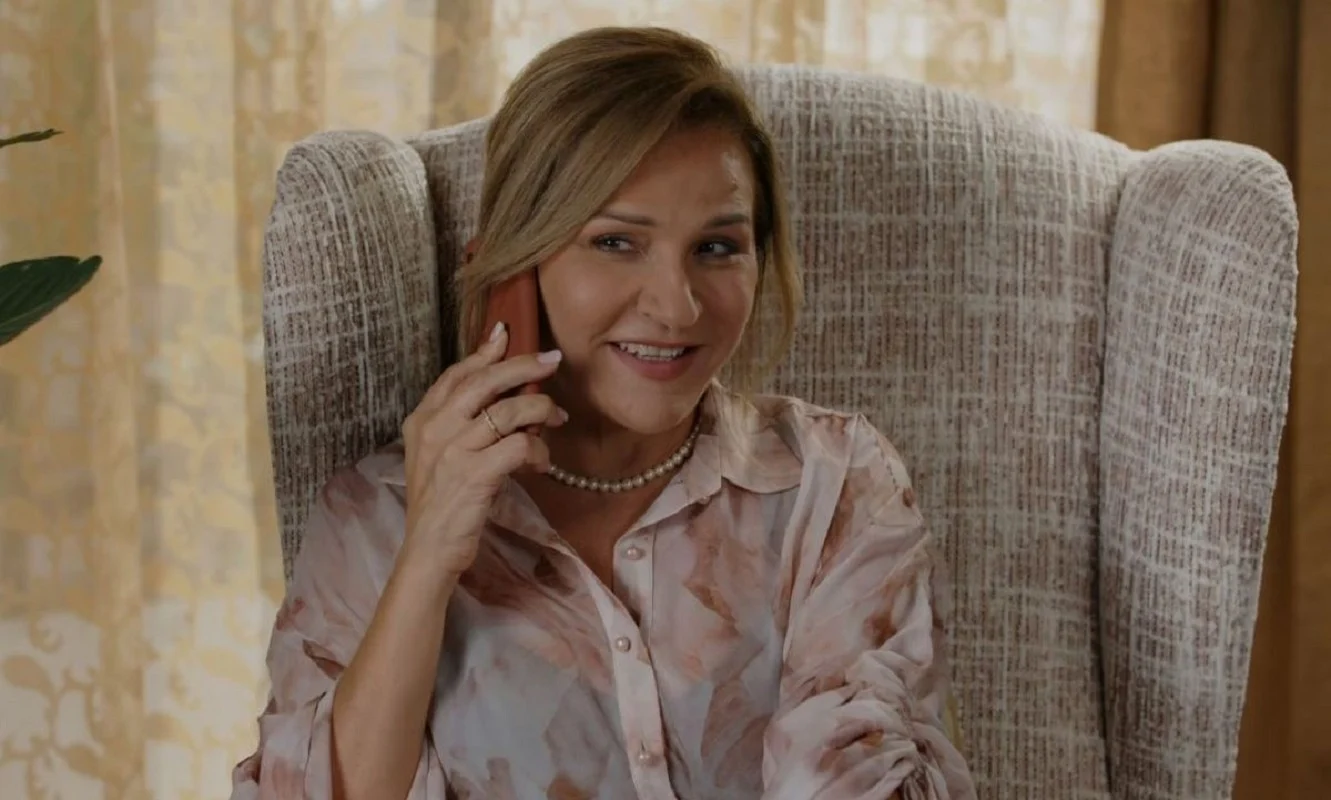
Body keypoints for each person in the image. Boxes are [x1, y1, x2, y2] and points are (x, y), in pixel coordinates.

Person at [231, 26, 975, 800]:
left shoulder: (834, 485)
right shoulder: (373, 520)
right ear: (515, 266)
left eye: (716, 248)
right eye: (616, 242)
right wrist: (426, 560)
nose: (677, 307)